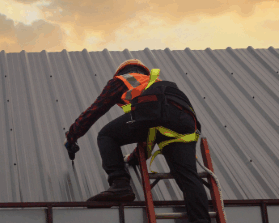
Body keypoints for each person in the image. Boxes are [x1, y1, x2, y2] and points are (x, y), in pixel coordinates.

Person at [64, 59, 211, 223]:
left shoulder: (124, 80)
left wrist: (72, 136)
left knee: (106, 135)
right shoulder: (157, 83)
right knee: (188, 177)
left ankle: (120, 185)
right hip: (185, 122)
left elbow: (96, 109)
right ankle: (201, 220)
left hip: (156, 115)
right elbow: (150, 134)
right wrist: (133, 159)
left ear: (121, 72)